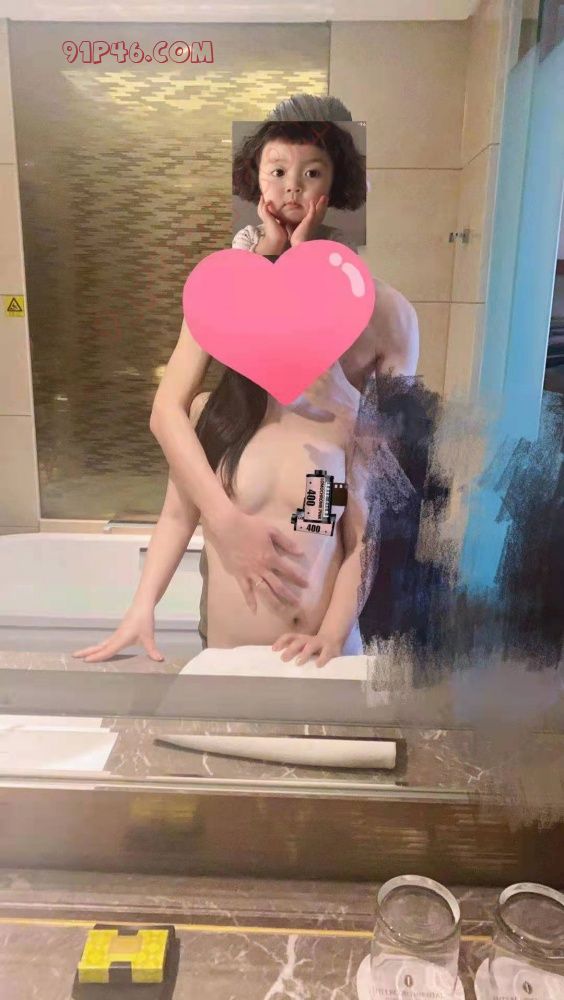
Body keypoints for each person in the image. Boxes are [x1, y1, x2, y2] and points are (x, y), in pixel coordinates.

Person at [73, 92, 419, 664]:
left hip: (324, 656)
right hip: (226, 657)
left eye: (311, 173)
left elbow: (382, 509)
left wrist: (343, 398)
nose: (292, 189)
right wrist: (154, 594)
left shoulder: (382, 330)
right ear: (255, 183)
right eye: (277, 172)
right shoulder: (216, 400)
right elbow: (171, 463)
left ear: (338, 185)